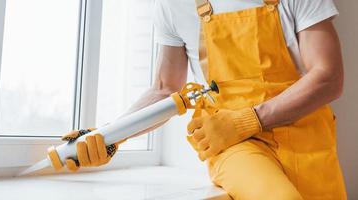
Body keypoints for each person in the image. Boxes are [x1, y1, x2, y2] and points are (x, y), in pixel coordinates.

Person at [53, 0, 347, 199]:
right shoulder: (173, 4)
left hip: (309, 141)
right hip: (232, 142)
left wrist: (250, 119)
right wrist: (109, 134)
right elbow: (166, 88)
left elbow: (328, 77)